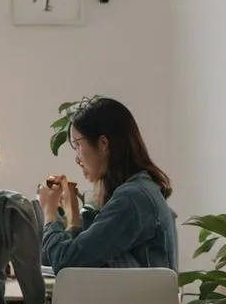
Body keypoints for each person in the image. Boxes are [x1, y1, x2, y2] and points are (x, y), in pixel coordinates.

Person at [39, 97, 177, 269]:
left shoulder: (132, 199)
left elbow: (66, 262)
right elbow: (65, 260)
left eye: (78, 144)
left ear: (103, 143)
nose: (77, 158)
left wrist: (50, 212)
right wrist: (73, 219)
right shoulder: (140, 190)